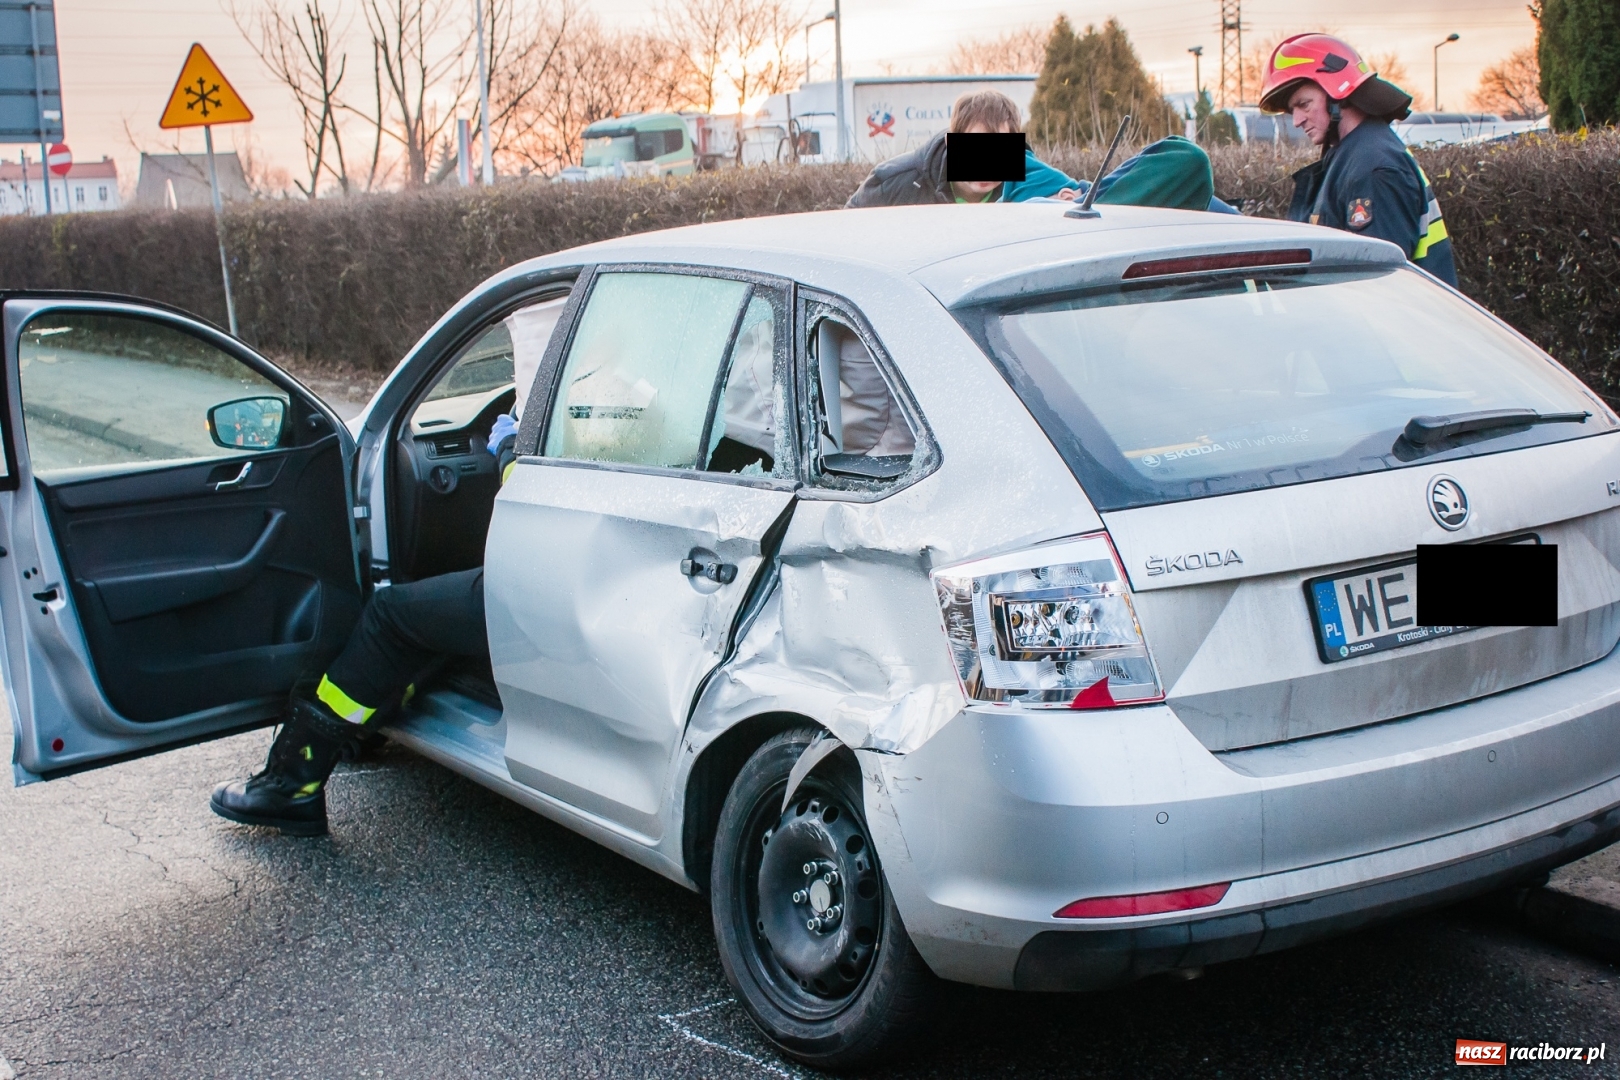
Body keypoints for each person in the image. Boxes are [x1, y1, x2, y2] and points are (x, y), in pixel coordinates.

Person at [1258, 33, 1458, 287]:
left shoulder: (1373, 167)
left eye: (1304, 104)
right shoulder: (1351, 156)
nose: (1297, 120)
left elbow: (1378, 286)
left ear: (1337, 93)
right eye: (1292, 111)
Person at [845, 89, 1235, 214]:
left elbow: (1098, 200)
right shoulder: (898, 183)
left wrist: (1233, 221)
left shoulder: (1029, 179)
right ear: (953, 142)